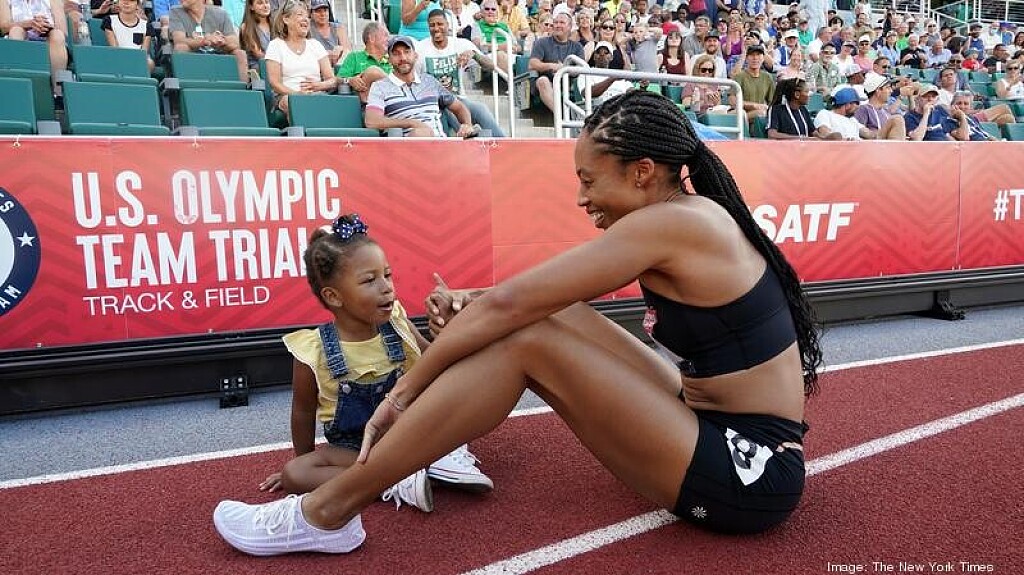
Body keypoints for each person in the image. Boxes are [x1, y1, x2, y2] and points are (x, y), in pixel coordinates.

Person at [212, 89, 824, 556]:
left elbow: (512, 310)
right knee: (541, 315)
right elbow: (530, 297)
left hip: (750, 472)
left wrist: (402, 394)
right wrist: (476, 302)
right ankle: (424, 451)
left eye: (588, 180)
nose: (581, 198)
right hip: (716, 426)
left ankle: (328, 513)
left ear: (641, 172)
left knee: (523, 337)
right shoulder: (688, 214)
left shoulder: (672, 223)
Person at [256, 214, 493, 508]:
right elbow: (302, 413)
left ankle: (423, 464)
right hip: (356, 452)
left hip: (411, 434)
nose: (386, 287)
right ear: (334, 296)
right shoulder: (312, 350)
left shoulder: (397, 323)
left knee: (455, 395)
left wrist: (448, 330)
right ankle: (399, 480)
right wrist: (304, 463)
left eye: (387, 275)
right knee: (295, 473)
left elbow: (435, 363)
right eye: (370, 280)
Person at [416, 9, 507, 136]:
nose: (436, 28)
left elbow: (491, 66)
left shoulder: (461, 44)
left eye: (440, 24)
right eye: (432, 25)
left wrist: (474, 55)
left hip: (459, 98)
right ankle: (468, 136)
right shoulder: (420, 48)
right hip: (433, 102)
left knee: (481, 109)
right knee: (449, 110)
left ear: (447, 25)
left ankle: (504, 144)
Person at [364, 34, 476, 137]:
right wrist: (411, 123)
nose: (403, 58)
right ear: (389, 60)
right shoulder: (380, 87)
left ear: (415, 56)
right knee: (420, 133)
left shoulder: (429, 81)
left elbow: (459, 107)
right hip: (408, 147)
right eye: (396, 54)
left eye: (407, 52)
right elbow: (372, 121)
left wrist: (467, 124)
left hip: (441, 144)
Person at [263, 1, 337, 118]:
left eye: (307, 16)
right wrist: (297, 94)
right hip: (287, 95)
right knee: (295, 102)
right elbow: (275, 83)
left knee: (331, 104)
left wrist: (319, 85)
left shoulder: (315, 45)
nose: (305, 19)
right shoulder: (276, 45)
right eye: (300, 15)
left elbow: (332, 80)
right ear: (286, 19)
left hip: (317, 94)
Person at [168, 0, 248, 82]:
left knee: (240, 53)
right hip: (193, 56)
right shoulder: (175, 12)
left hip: (218, 56)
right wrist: (204, 41)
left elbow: (235, 42)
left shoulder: (220, 13)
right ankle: (185, 87)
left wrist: (220, 40)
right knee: (181, 48)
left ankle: (242, 88)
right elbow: (179, 40)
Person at [0, 0, 68, 85]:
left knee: (58, 35)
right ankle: (18, 82)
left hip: (48, 39)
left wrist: (44, 26)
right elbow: (3, 27)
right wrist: (29, 24)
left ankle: (58, 88)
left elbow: (63, 31)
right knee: (15, 31)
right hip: (21, 36)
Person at [529, 11, 585, 112]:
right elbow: (532, 64)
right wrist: (553, 66)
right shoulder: (542, 42)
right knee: (543, 81)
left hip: (568, 84)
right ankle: (560, 116)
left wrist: (564, 69)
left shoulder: (577, 47)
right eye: (556, 22)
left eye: (562, 23)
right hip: (546, 82)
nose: (557, 25)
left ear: (570, 26)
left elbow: (581, 68)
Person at [335, 21, 392, 104]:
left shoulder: (392, 59)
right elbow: (337, 80)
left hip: (391, 102)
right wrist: (350, 80)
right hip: (362, 105)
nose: (389, 39)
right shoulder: (354, 57)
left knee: (374, 72)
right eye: (385, 35)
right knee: (373, 71)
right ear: (372, 38)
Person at [100, 0, 155, 72]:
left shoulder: (146, 25)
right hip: (117, 58)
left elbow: (143, 53)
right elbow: (115, 49)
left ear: (137, 5)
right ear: (118, 2)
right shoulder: (110, 20)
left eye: (131, 0)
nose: (126, 3)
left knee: (149, 63)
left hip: (137, 60)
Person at [904, 83, 969, 142]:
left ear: (937, 99)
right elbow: (917, 138)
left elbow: (963, 137)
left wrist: (962, 117)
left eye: (933, 96)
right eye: (925, 96)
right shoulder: (910, 116)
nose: (930, 99)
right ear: (918, 99)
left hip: (945, 148)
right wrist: (926, 114)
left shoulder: (940, 111)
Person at [852, 72, 906, 140]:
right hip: (873, 145)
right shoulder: (863, 109)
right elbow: (858, 134)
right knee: (897, 119)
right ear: (878, 91)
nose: (891, 91)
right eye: (887, 88)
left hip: (886, 144)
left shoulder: (885, 111)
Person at [309, 0, 351, 68]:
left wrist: (341, 49)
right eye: (318, 11)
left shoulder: (338, 28)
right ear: (311, 14)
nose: (322, 14)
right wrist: (325, 53)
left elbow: (348, 51)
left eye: (325, 10)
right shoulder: (308, 29)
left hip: (339, 66)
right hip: (317, 66)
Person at [238, 0, 271, 71]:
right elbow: (258, 54)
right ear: (251, 7)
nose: (265, 6)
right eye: (260, 3)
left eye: (267, 2)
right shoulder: (246, 27)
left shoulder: (275, 25)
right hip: (259, 68)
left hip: (277, 65)